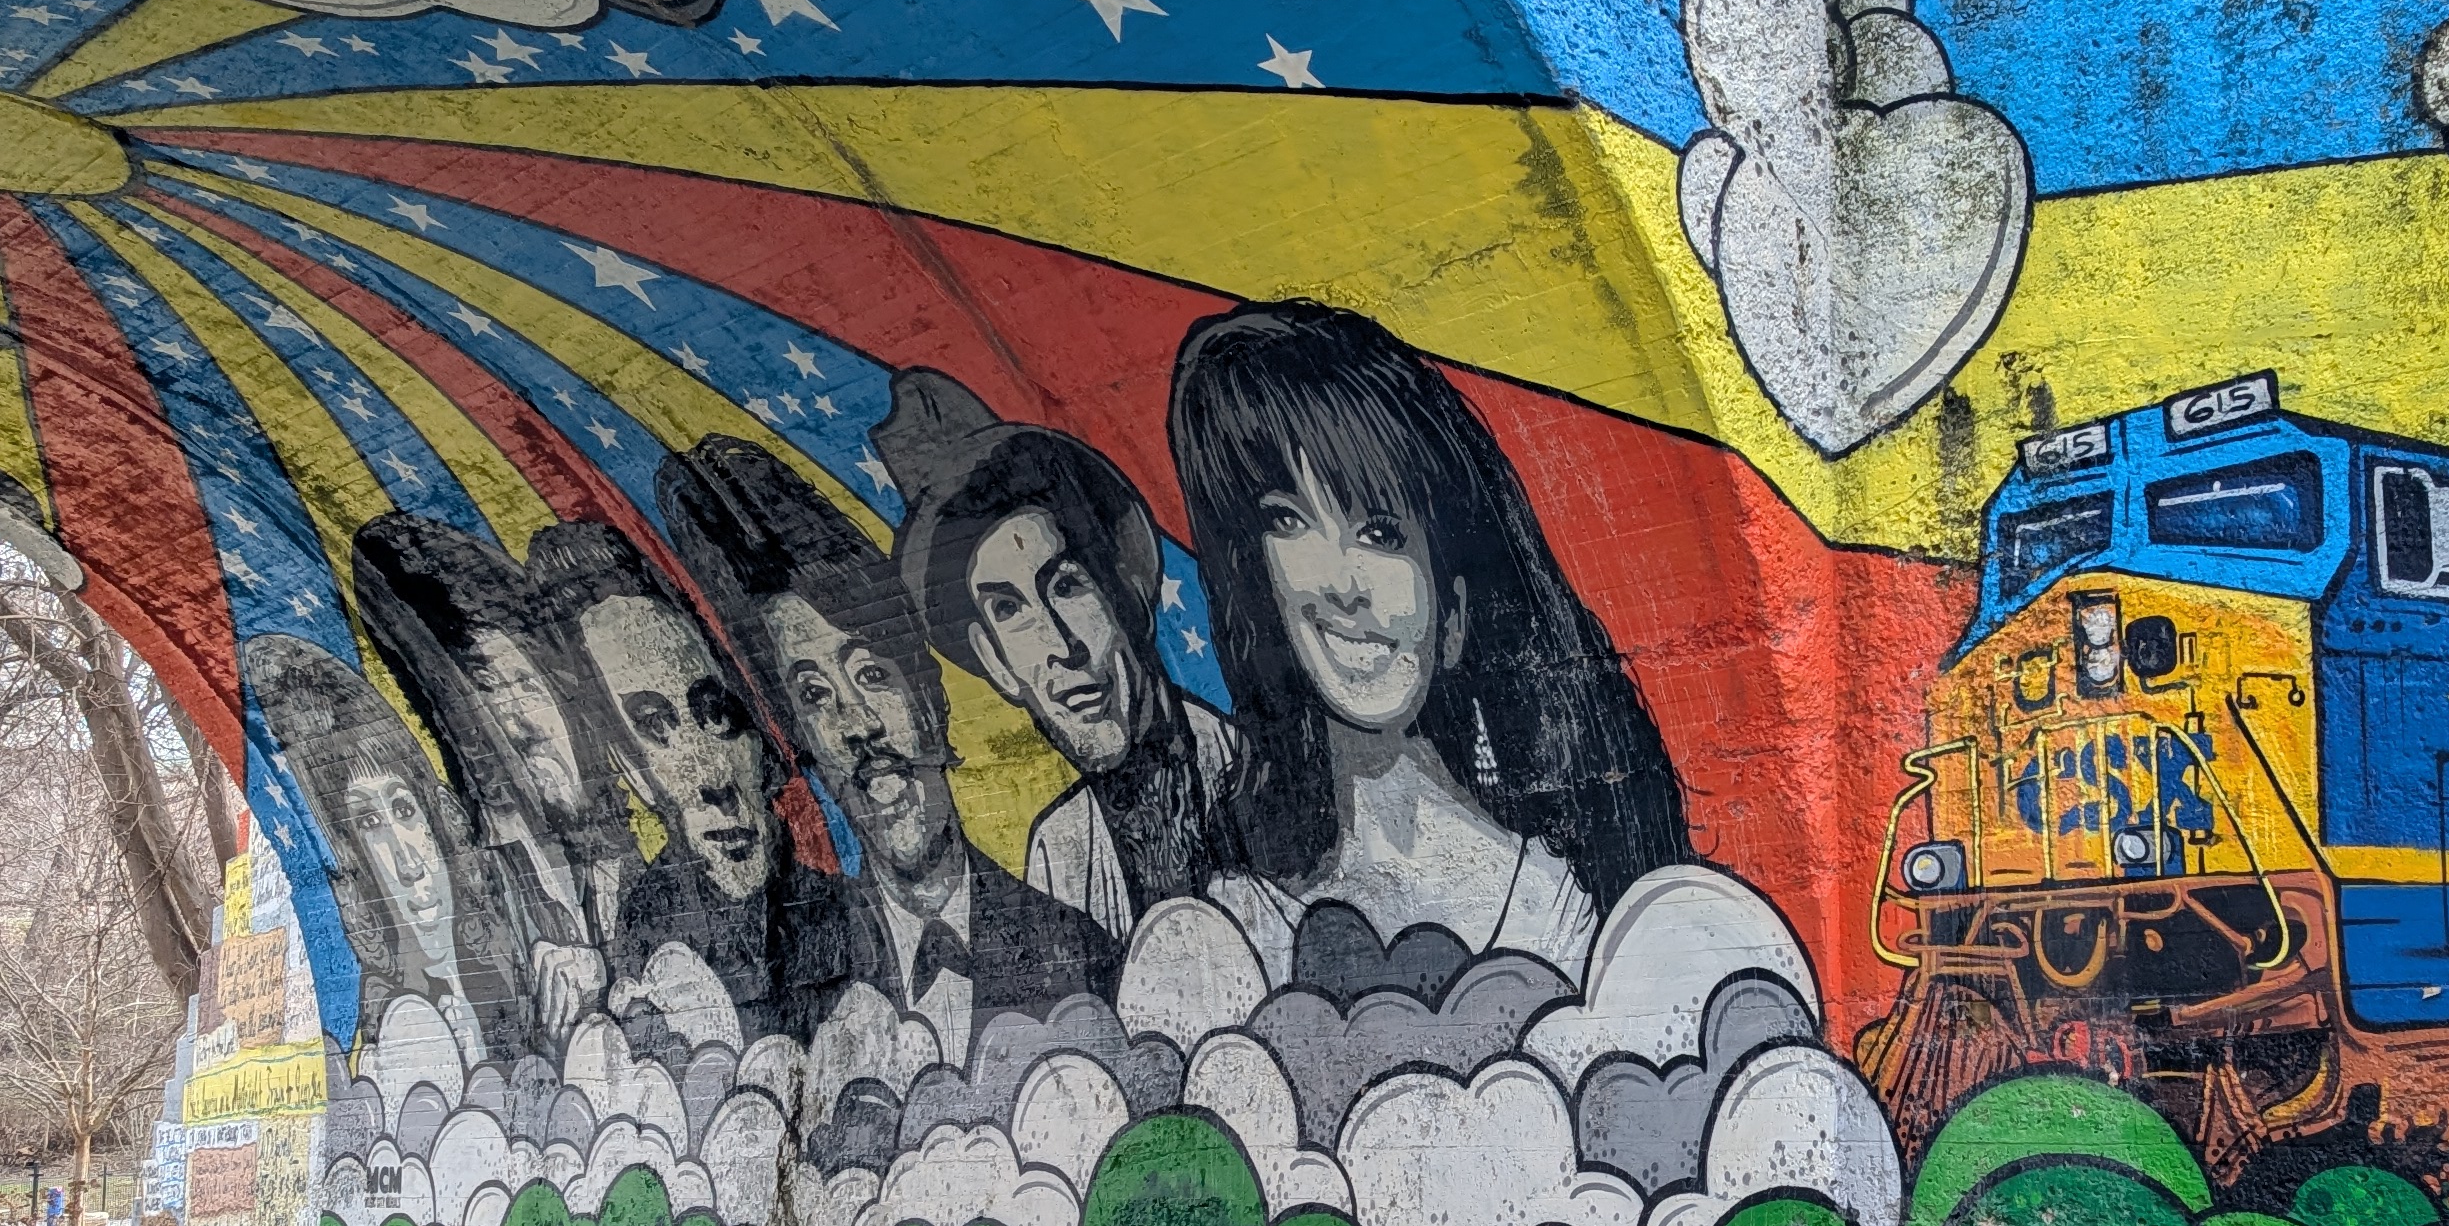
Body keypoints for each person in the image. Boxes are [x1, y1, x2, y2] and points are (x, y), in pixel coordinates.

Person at [1164, 300, 1691, 986]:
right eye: (1290, 522)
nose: (1343, 585)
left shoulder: (1559, 894)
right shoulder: (1243, 911)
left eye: (1380, 534)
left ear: (1456, 602)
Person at [660, 438, 1117, 1050]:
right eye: (815, 694)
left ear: (931, 701)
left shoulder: (1074, 947)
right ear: (804, 744)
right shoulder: (794, 970)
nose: (857, 723)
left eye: (873, 675)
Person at [892, 389, 1237, 945]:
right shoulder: (1058, 854)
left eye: (1067, 586)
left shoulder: (1251, 772)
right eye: (1009, 610)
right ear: (996, 663)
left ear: (1126, 590)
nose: (1060, 645)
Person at [529, 523, 847, 1045]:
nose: (713, 779)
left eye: (717, 712)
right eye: (654, 725)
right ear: (622, 763)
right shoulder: (639, 935)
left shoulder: (844, 913)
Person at [351, 514, 623, 1029]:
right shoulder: (475, 881)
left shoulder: (614, 855)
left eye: (527, 684)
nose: (521, 721)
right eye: (492, 696)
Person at [242, 632, 519, 1062]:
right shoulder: (385, 1030)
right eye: (370, 824)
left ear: (437, 820)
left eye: (405, 810)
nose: (409, 862)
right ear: (355, 857)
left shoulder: (518, 943)